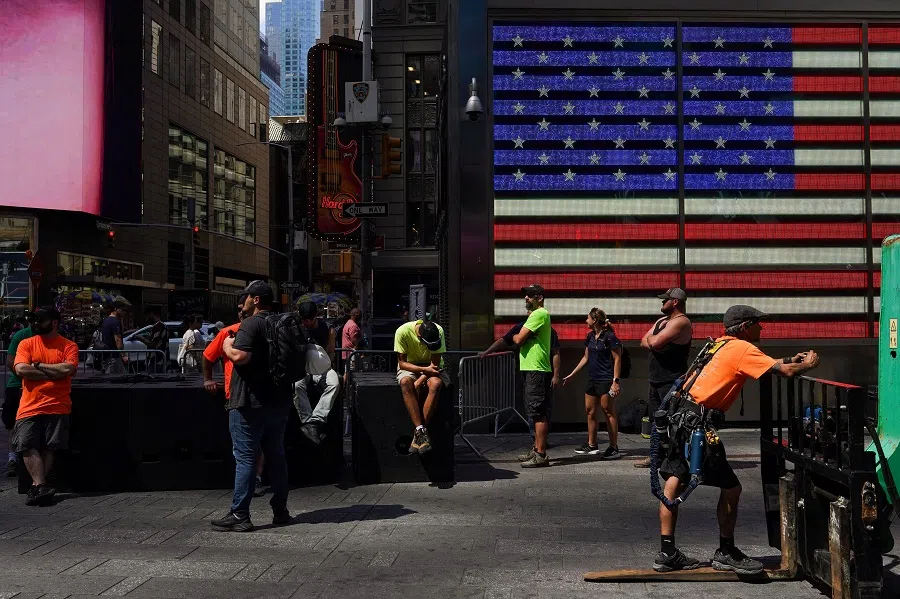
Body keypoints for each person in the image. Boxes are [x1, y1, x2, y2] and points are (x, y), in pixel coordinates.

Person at [654, 305, 820, 575]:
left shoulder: (720, 344)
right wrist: (807, 364)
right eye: (757, 323)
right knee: (732, 488)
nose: (761, 328)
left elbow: (764, 363)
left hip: (681, 419)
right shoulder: (743, 349)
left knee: (673, 483)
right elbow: (785, 372)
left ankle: (667, 551)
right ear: (745, 327)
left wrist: (792, 357)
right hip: (699, 426)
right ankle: (726, 550)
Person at [215, 281, 291, 531]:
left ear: (256, 300)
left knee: (245, 457)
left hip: (249, 402)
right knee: (276, 456)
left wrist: (227, 344)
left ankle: (240, 514)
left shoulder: (252, 323)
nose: (242, 302)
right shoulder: (282, 323)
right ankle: (280, 510)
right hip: (279, 402)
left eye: (245, 297)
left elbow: (240, 356)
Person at [10, 307, 78, 506]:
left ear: (54, 323)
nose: (34, 324)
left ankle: (38, 487)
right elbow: (21, 368)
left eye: (40, 320)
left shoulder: (68, 345)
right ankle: (40, 486)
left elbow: (68, 368)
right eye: (32, 320)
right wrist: (54, 373)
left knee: (50, 446)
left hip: (57, 404)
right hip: (30, 405)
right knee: (26, 445)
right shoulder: (26, 343)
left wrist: (37, 366)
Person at [204, 295, 266, 497]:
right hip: (241, 395)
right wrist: (208, 379)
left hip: (254, 395)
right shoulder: (227, 332)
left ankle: (244, 498)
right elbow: (207, 356)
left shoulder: (254, 329)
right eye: (239, 309)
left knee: (249, 449)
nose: (242, 312)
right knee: (249, 447)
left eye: (243, 309)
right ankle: (251, 486)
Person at [636, 288, 693, 468]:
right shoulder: (662, 321)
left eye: (665, 300)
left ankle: (674, 459)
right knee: (656, 421)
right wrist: (655, 342)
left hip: (672, 381)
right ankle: (656, 456)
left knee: (671, 421)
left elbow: (653, 342)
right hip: (655, 379)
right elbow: (644, 341)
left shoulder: (682, 322)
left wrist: (655, 342)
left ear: (675, 301)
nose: (662, 303)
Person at [563, 308, 623, 459]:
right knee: (589, 410)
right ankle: (592, 444)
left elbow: (617, 359)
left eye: (588, 318)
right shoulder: (590, 336)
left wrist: (615, 381)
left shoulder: (609, 337)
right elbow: (585, 357)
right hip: (592, 378)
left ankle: (613, 447)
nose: (586, 321)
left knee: (608, 410)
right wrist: (572, 374)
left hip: (606, 378)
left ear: (595, 320)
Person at [511, 284, 553, 468]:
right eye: (526, 296)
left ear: (540, 298)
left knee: (538, 413)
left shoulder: (539, 314)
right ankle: (536, 449)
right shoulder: (534, 315)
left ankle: (541, 454)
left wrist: (515, 336)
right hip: (531, 368)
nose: (526, 298)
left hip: (536, 369)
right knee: (534, 412)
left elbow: (518, 339)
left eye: (531, 295)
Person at [394, 317, 449, 454]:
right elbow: (402, 363)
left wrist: (420, 380)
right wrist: (423, 371)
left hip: (432, 367)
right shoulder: (402, 331)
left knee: (436, 384)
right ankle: (421, 431)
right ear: (420, 337)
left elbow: (435, 365)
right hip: (410, 366)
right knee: (405, 382)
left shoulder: (438, 331)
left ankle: (419, 432)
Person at [293, 301, 339, 445]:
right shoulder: (296, 327)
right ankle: (308, 422)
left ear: (316, 316)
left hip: (322, 368)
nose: (307, 322)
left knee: (335, 383)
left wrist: (328, 365)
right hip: (303, 368)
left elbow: (331, 349)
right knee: (296, 386)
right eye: (304, 319)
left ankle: (317, 418)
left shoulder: (326, 327)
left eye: (310, 319)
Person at [2, 311, 35, 477]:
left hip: (40, 387)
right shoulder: (21, 335)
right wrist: (26, 375)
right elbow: (10, 361)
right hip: (18, 385)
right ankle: (13, 459)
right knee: (13, 423)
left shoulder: (52, 336)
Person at [135, 308, 169, 373]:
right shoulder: (162, 325)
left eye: (146, 316)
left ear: (151, 314)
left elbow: (153, 344)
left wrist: (141, 339)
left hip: (157, 360)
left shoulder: (158, 326)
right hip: (159, 359)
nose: (146, 319)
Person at [98, 304, 127, 374]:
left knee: (122, 374)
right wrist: (124, 355)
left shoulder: (106, 320)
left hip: (109, 354)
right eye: (123, 310)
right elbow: (117, 340)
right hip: (113, 355)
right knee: (113, 378)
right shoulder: (114, 322)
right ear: (116, 309)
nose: (125, 312)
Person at [341, 307, 363, 380]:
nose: (361, 317)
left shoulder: (348, 323)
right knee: (350, 372)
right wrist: (361, 351)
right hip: (351, 353)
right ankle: (345, 389)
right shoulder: (353, 326)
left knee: (347, 371)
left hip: (348, 352)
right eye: (360, 315)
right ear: (355, 315)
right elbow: (355, 340)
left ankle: (345, 389)